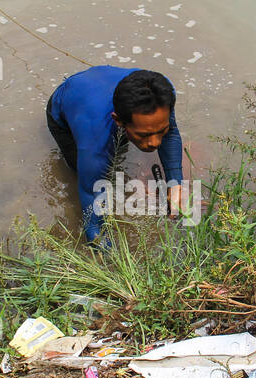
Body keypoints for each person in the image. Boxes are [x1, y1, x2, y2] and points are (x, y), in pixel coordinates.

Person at [46, 66, 184, 245]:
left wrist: (175, 184)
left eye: (160, 131)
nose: (155, 143)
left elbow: (171, 132)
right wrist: (103, 253)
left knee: (117, 152)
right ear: (118, 121)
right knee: (85, 173)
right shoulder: (94, 138)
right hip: (66, 106)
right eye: (145, 135)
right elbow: (91, 200)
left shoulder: (162, 94)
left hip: (99, 85)